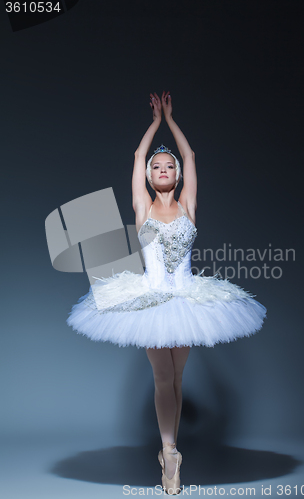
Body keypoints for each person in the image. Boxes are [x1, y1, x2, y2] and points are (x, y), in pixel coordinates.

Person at [67, 91, 267, 495]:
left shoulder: (188, 206)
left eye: (168, 165)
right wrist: (154, 123)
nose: (161, 168)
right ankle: (171, 453)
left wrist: (172, 121)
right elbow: (137, 157)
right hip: (151, 300)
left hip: (188, 299)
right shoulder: (142, 207)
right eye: (156, 166)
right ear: (148, 176)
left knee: (177, 378)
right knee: (162, 376)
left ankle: (169, 453)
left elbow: (191, 156)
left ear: (176, 176)